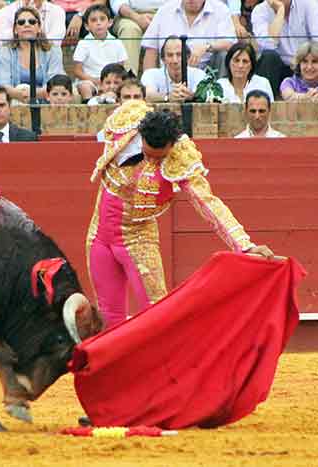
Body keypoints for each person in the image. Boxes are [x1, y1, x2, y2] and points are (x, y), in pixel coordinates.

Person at [86, 100, 274, 329]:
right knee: (108, 313)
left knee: (156, 315)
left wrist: (244, 245)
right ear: (141, 134)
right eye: (147, 153)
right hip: (99, 236)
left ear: (171, 146)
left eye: (159, 156)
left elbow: (207, 202)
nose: (151, 161)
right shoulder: (126, 121)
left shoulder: (180, 156)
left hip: (138, 240)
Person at [141, 0, 236, 75]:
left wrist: (206, 47)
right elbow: (151, 50)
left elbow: (229, 43)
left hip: (208, 72)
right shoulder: (165, 10)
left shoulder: (221, 9)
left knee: (223, 55)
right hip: (170, 74)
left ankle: (219, 97)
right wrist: (149, 83)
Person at [0, 6, 64, 104]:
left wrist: (31, 94)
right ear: (15, 29)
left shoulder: (53, 50)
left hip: (47, 102)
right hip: (14, 102)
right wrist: (22, 94)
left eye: (32, 22)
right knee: (20, 88)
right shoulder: (4, 51)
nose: (27, 25)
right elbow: (2, 85)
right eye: (21, 22)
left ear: (39, 28)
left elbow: (56, 85)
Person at [252, 0, 318, 98]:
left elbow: (316, 40)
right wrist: (280, 12)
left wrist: (305, 61)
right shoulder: (260, 11)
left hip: (306, 64)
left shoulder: (309, 4)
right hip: (278, 67)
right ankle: (267, 103)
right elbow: (268, 44)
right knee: (269, 56)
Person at [72, 4, 127, 102]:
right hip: (90, 81)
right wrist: (95, 81)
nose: (98, 23)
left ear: (110, 22)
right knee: (85, 87)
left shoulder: (117, 43)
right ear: (87, 26)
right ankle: (90, 110)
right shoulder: (83, 43)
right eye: (93, 20)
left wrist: (109, 83)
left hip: (111, 81)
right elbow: (77, 71)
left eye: (102, 19)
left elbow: (120, 68)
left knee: (121, 87)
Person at [107, 0, 167, 76]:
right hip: (129, 14)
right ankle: (128, 79)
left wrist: (159, 17)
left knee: (168, 27)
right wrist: (137, 17)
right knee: (130, 29)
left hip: (165, 13)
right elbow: (118, 3)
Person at [141, 35, 205, 102]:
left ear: (187, 57)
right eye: (170, 55)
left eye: (179, 54)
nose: (175, 60)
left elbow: (206, 95)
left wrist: (192, 96)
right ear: (163, 59)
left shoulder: (199, 74)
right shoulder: (151, 74)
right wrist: (168, 97)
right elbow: (147, 95)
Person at [0, 0, 66, 47]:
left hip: (46, 61)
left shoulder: (58, 11)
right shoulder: (5, 11)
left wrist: (36, 17)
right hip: (12, 61)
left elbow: (55, 42)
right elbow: (1, 42)